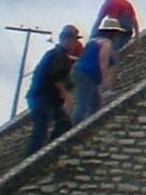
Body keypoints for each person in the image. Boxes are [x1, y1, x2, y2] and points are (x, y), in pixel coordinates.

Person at [25, 24, 80, 156]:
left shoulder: (59, 55)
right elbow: (56, 78)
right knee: (41, 128)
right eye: (73, 40)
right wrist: (66, 97)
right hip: (42, 98)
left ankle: (49, 150)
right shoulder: (57, 55)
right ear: (66, 39)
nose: (74, 44)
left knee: (64, 122)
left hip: (48, 99)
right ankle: (31, 158)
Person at [71, 18, 128, 123]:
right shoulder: (106, 43)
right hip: (87, 75)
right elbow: (103, 60)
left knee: (95, 103)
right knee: (82, 104)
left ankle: (88, 123)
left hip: (78, 72)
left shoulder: (93, 41)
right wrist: (104, 79)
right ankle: (74, 127)